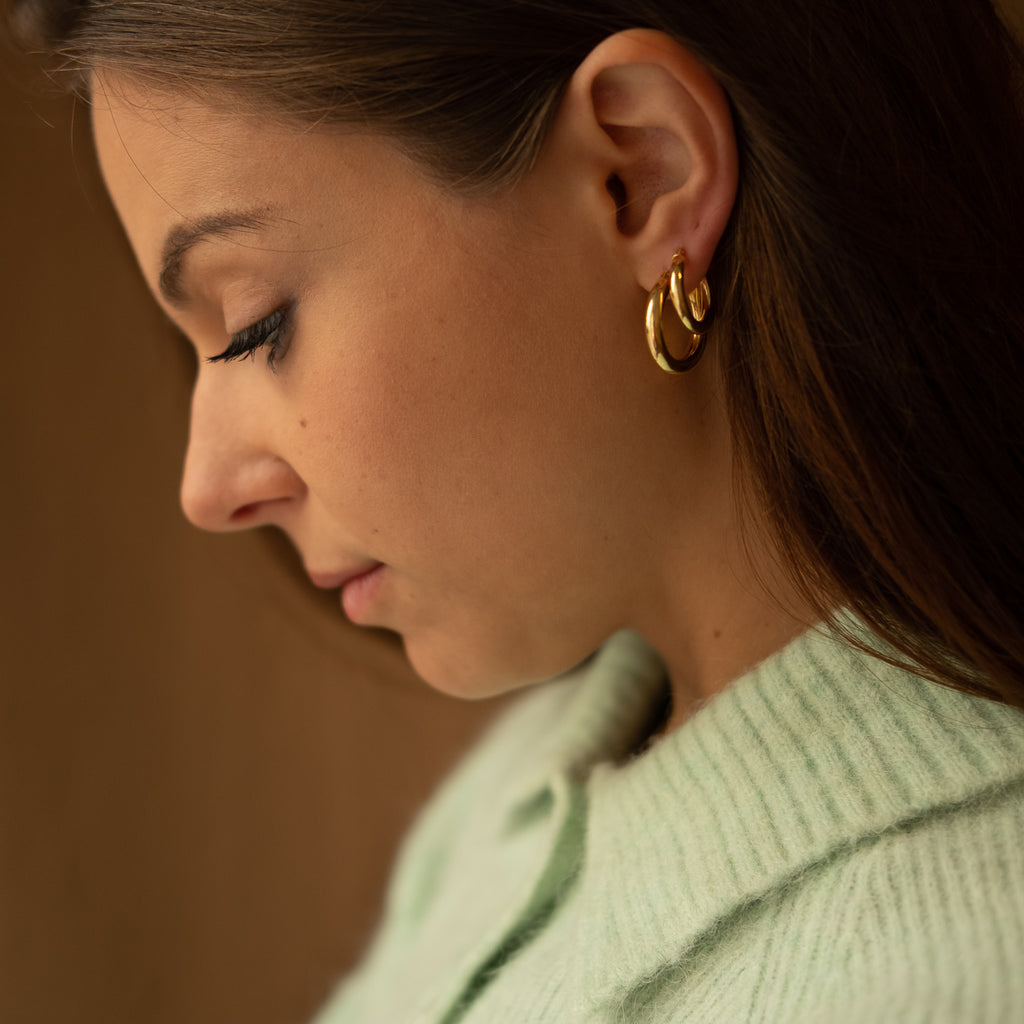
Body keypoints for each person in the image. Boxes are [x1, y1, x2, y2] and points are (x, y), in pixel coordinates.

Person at [13, 0, 1024, 1020]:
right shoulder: (520, 796)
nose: (207, 484)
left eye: (251, 326)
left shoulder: (947, 978)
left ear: (642, 176)